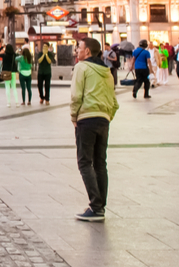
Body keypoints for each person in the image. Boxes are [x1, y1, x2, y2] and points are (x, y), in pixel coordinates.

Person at [70, 37, 119, 222]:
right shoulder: (106, 71)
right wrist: (107, 115)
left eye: (79, 47)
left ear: (87, 51)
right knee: (100, 163)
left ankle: (95, 206)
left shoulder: (81, 67)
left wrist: (74, 116)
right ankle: (100, 207)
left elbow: (76, 95)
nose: (77, 51)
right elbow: (114, 101)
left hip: (86, 119)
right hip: (103, 120)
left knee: (84, 162)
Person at [1, 43, 19, 107]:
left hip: (6, 72)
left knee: (7, 87)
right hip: (13, 72)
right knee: (14, 87)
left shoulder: (4, 55)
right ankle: (17, 102)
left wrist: (2, 47)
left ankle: (8, 103)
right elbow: (18, 54)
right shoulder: (14, 55)